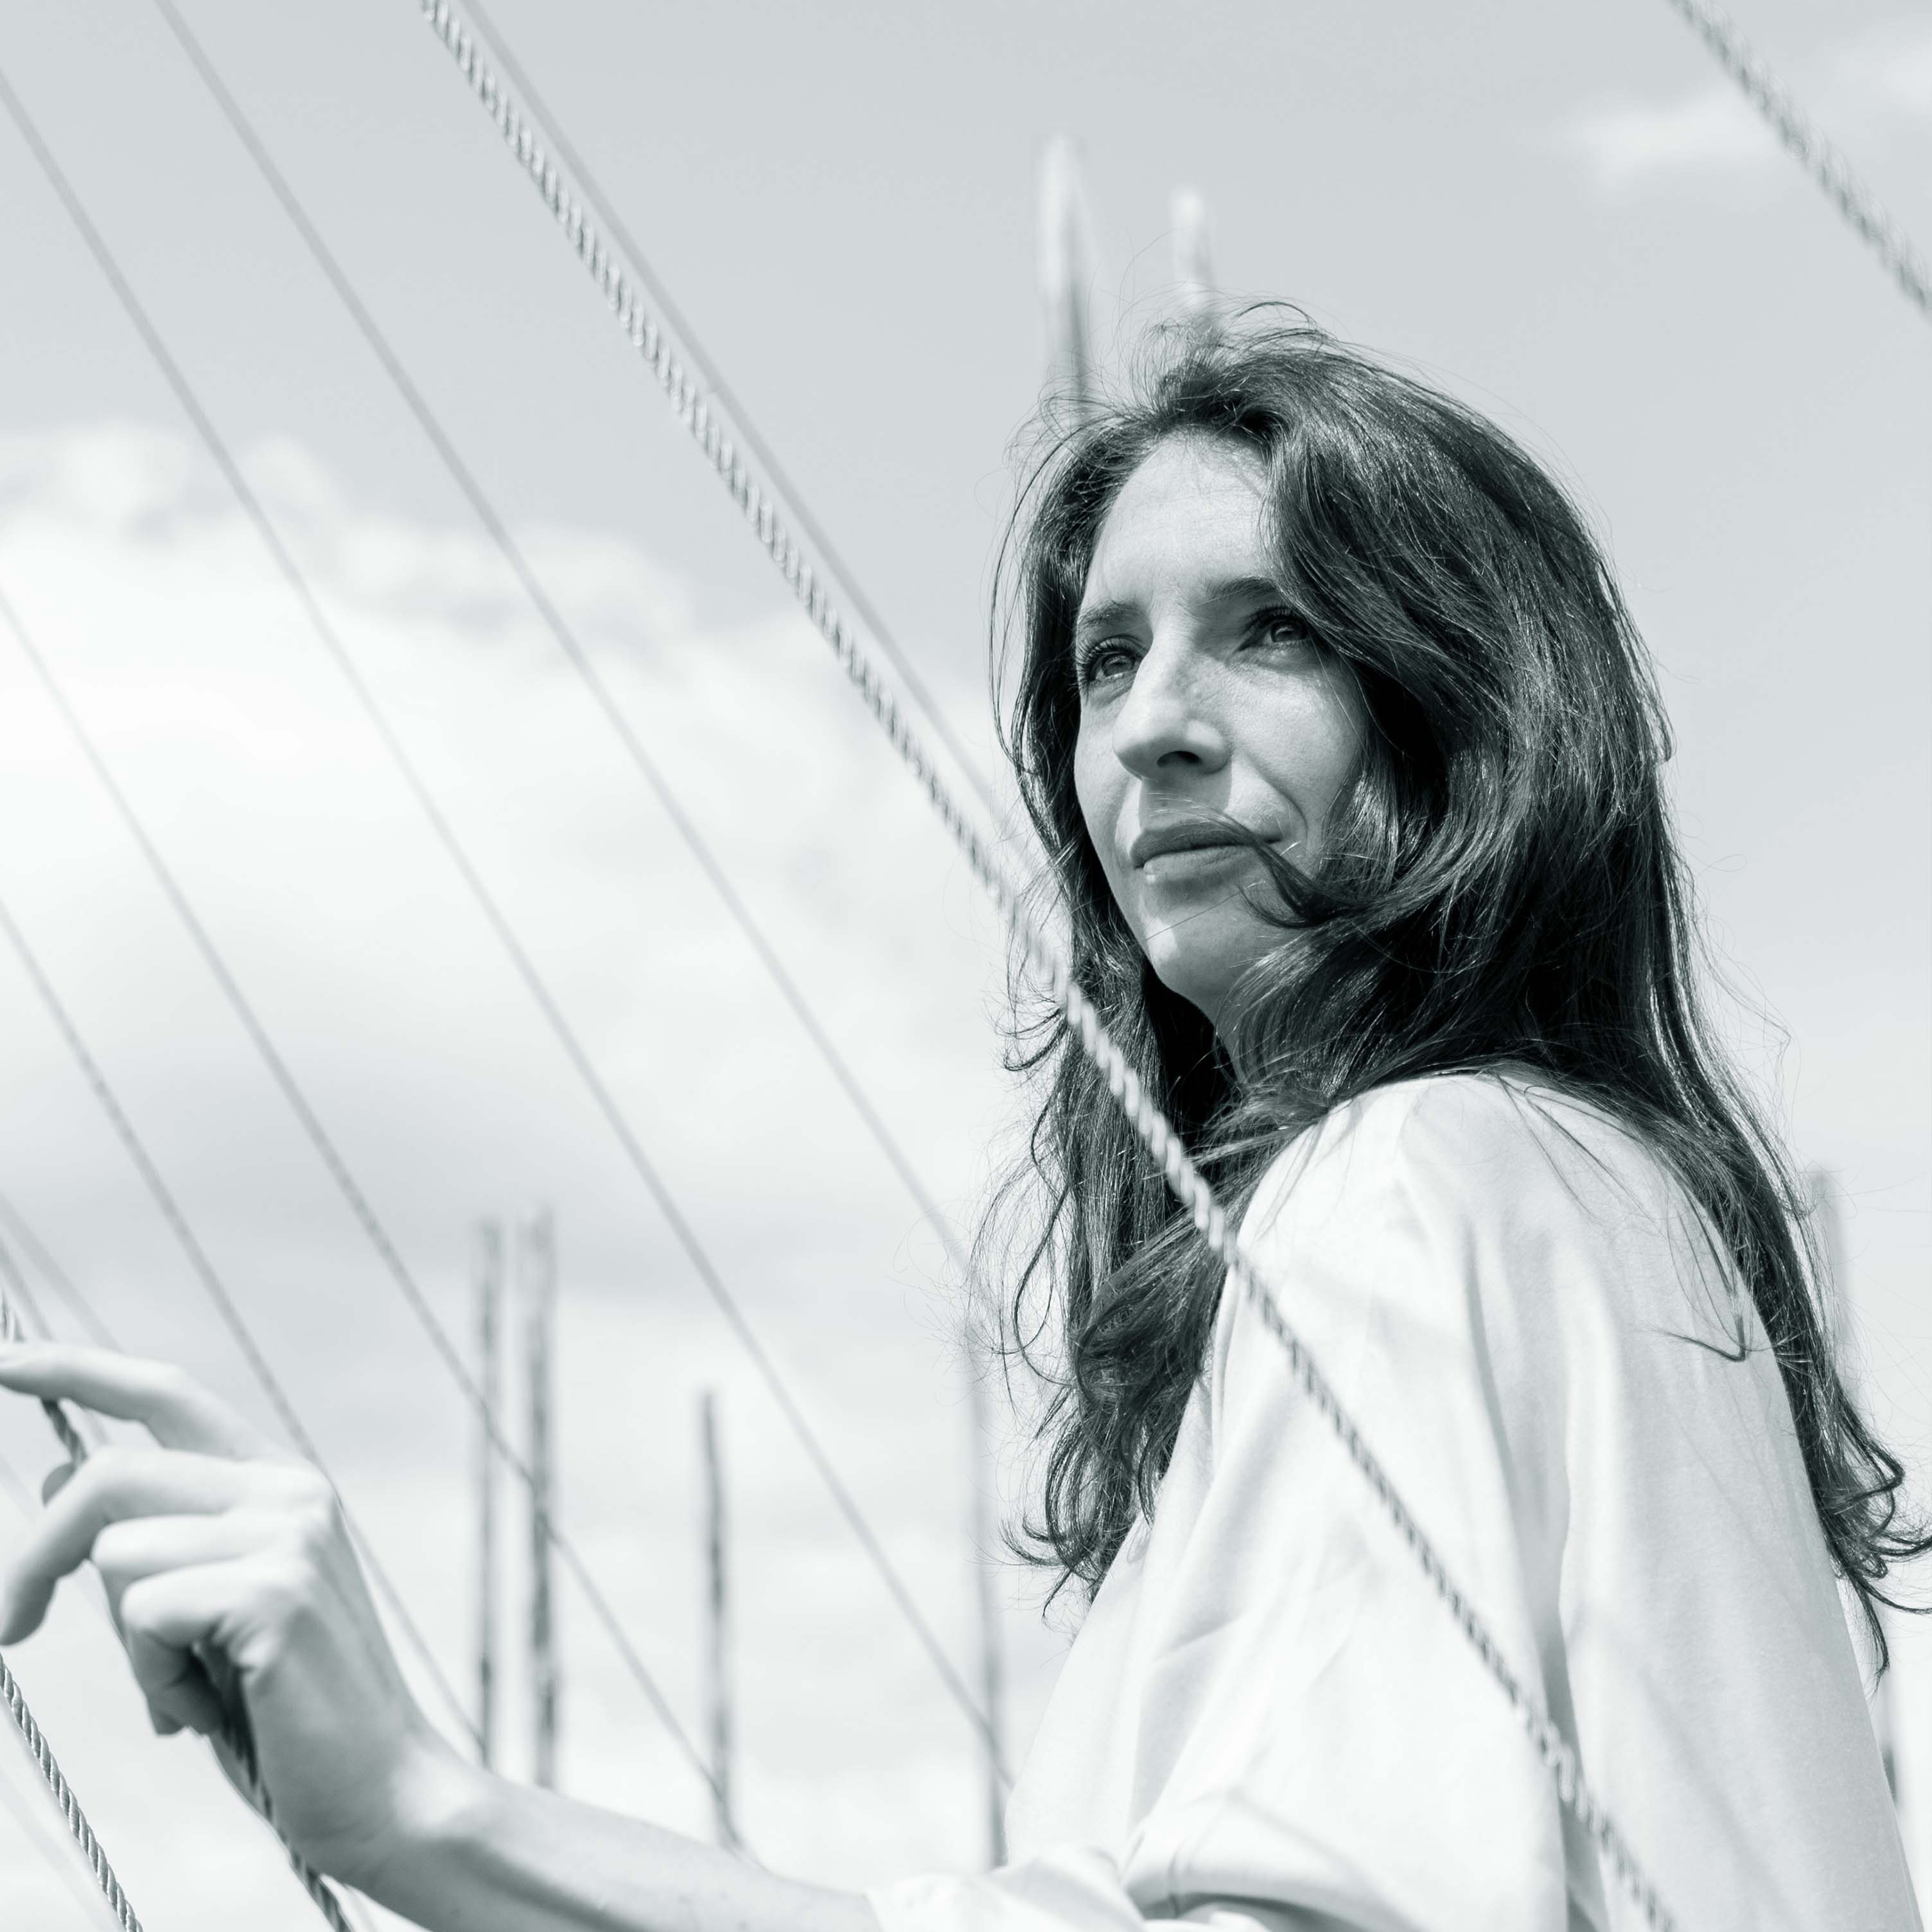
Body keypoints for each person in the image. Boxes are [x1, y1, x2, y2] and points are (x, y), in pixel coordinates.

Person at [0, 317, 1920, 1931]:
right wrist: (424, 1822)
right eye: (1108, 659)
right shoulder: (1624, 1220)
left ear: (1467, 707)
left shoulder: (1415, 1180)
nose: (1152, 726)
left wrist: (427, 1814)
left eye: (1273, 631)